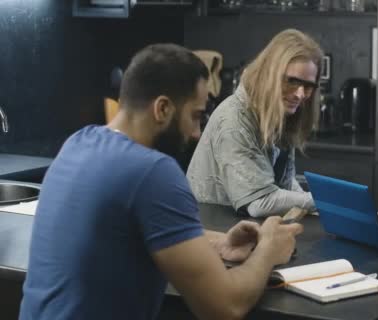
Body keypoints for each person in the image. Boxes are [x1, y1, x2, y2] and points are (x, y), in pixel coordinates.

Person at [19, 43, 302, 320]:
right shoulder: (153, 171)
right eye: (195, 116)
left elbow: (129, 229)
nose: (196, 132)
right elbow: (225, 306)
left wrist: (219, 243)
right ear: (163, 109)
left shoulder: (79, 143)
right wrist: (268, 251)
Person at [187, 29, 323, 217]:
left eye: (308, 86)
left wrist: (325, 210)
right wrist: (324, 203)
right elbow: (260, 202)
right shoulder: (234, 119)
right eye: (292, 81)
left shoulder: (279, 112)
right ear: (269, 75)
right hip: (213, 234)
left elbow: (281, 183)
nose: (300, 94)